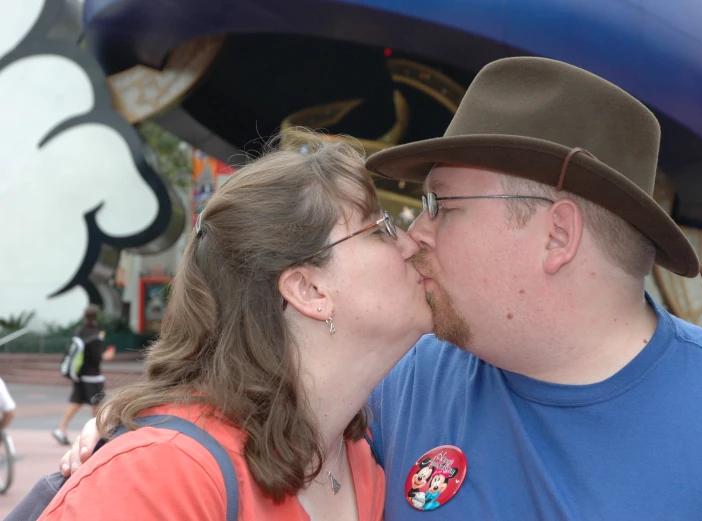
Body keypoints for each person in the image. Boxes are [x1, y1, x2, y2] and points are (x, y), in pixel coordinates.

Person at [61, 58, 702, 519]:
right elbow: (247, 398)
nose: (416, 234)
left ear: (557, 236)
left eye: (443, 205)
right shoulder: (398, 385)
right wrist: (128, 433)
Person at [35, 134, 431, 520]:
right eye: (379, 228)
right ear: (308, 289)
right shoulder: (161, 475)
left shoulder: (360, 453)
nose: (411, 244)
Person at [51, 304, 114, 446]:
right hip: (93, 377)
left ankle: (61, 429)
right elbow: (97, 358)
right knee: (98, 405)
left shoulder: (79, 331)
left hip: (79, 375)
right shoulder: (96, 336)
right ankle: (98, 435)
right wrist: (107, 355)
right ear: (97, 317)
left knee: (76, 402)